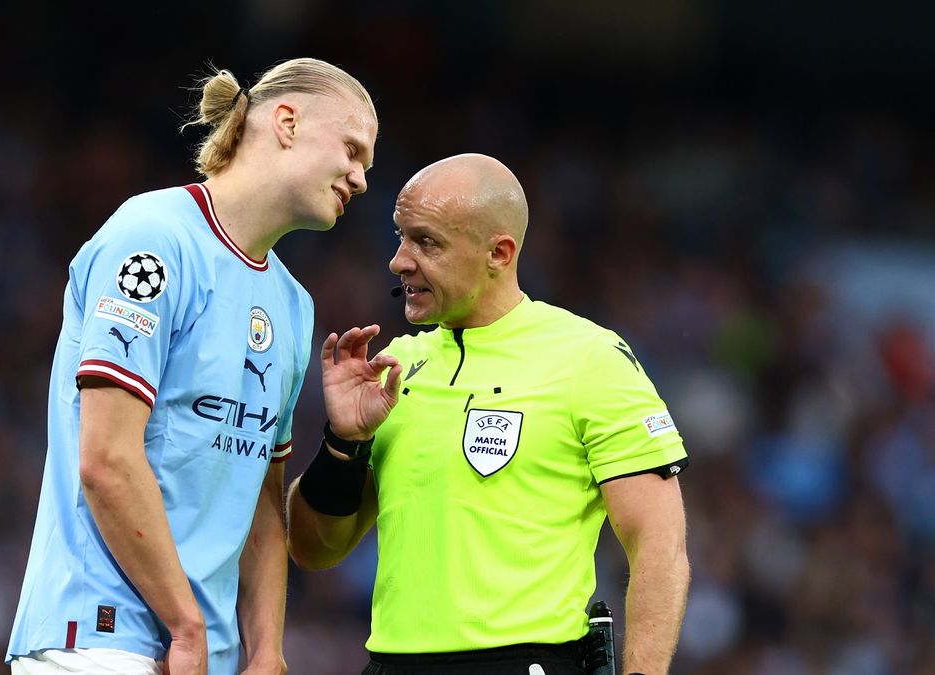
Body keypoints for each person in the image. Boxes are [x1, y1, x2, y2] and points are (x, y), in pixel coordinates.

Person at [7, 58, 377, 675]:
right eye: (352, 150)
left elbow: (261, 495)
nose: (362, 179)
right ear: (287, 122)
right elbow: (106, 459)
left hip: (203, 655)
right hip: (99, 639)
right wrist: (185, 626)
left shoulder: (292, 304)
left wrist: (266, 651)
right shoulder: (152, 238)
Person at [286, 154, 690, 675]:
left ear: (499, 252)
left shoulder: (589, 359)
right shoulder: (395, 368)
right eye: (400, 236)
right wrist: (343, 444)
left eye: (426, 242)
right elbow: (313, 550)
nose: (399, 260)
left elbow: (660, 546)